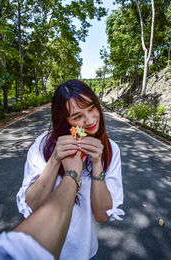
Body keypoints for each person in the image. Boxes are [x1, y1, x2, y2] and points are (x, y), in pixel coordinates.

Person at [16, 79, 124, 260]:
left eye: (91, 108)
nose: (90, 120)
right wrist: (55, 159)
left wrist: (97, 163)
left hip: (85, 253)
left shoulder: (111, 150)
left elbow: (102, 215)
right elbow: (32, 205)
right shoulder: (44, 144)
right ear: (65, 120)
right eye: (77, 116)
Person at [0, 151, 83, 260]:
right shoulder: (41, 144)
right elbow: (26, 250)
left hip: (84, 252)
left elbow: (101, 215)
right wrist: (71, 173)